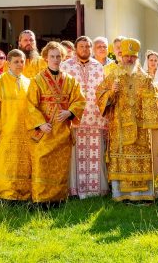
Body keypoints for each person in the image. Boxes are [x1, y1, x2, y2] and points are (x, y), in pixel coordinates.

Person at [96, 38, 158, 202]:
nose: (129, 60)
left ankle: (142, 194)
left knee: (141, 157)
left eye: (133, 56)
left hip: (140, 129)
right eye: (127, 56)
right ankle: (121, 194)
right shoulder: (113, 76)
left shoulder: (145, 78)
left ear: (137, 57)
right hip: (119, 128)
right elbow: (99, 95)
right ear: (121, 56)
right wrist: (111, 92)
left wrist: (150, 95)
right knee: (121, 157)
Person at [26, 42, 87, 204]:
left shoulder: (70, 80)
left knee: (60, 166)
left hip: (62, 131)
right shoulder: (37, 80)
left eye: (58, 56)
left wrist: (70, 112)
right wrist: (40, 124)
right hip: (44, 131)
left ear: (63, 57)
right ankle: (40, 200)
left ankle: (58, 199)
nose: (55, 59)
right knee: (42, 163)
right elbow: (30, 105)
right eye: (52, 56)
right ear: (46, 58)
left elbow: (80, 100)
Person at [61, 36, 108, 198]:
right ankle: (76, 190)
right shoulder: (66, 66)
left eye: (88, 47)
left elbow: (103, 92)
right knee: (76, 156)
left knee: (95, 154)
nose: (85, 49)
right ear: (75, 49)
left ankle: (95, 190)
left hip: (95, 118)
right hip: (75, 118)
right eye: (82, 46)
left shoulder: (98, 66)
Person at [0, 49, 33, 201]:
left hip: (25, 131)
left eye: (22, 61)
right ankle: (4, 194)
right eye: (16, 61)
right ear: (8, 63)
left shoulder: (29, 82)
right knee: (5, 163)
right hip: (6, 130)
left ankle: (23, 194)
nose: (20, 64)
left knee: (23, 164)